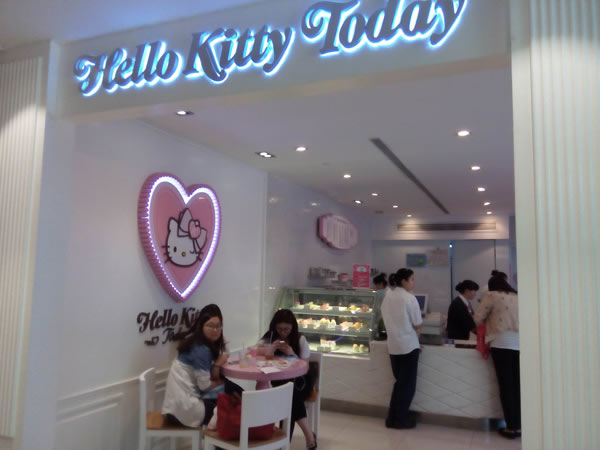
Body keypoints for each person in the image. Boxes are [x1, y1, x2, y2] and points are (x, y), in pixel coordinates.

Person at [162, 304, 241, 427]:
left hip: (175, 405)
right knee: (232, 411)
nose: (215, 330)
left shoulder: (198, 341)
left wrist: (217, 365)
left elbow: (225, 352)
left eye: (218, 326)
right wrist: (217, 367)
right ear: (201, 325)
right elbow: (205, 386)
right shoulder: (200, 349)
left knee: (234, 395)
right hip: (183, 409)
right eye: (211, 325)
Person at [261, 309, 316, 450]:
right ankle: (307, 436)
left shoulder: (300, 339)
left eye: (286, 329)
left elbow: (306, 366)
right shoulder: (270, 336)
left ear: (293, 327)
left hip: (301, 382)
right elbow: (255, 351)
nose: (283, 332)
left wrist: (292, 354)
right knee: (287, 393)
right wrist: (270, 348)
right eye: (280, 329)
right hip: (280, 381)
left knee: (288, 394)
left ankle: (291, 441)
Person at [474, 274, 520, 439]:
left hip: (501, 343)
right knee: (517, 385)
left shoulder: (492, 295)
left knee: (506, 386)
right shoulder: (517, 296)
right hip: (520, 344)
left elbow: (477, 318)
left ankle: (511, 428)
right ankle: (519, 425)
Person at [381, 268, 423, 429]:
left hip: (393, 346)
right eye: (412, 279)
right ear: (404, 281)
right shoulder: (409, 298)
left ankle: (392, 418)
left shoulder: (388, 297)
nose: (413, 282)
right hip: (408, 347)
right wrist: (417, 339)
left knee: (399, 384)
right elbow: (418, 324)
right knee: (407, 386)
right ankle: (400, 420)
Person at [372, 273, 388, 338]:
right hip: (387, 318)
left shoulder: (379, 293)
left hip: (381, 317)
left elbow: (376, 307)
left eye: (376, 285)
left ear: (381, 284)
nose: (375, 287)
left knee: (380, 333)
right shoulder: (389, 291)